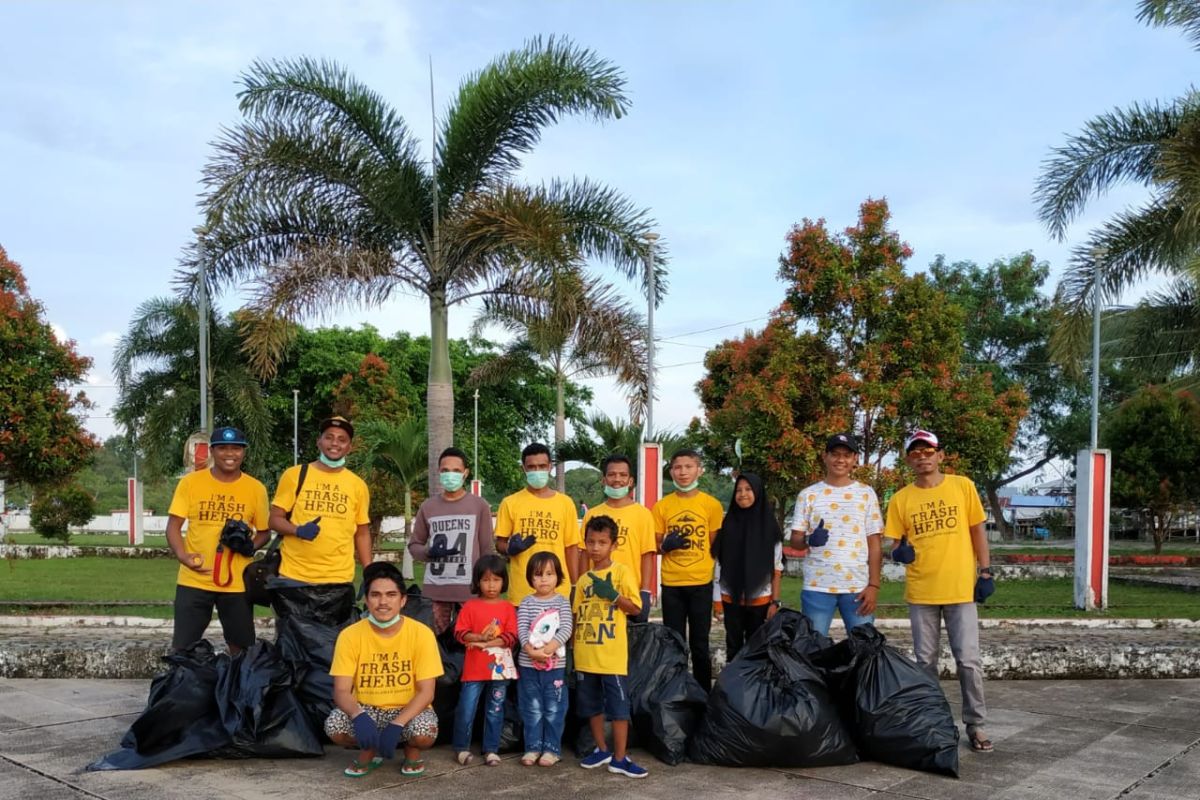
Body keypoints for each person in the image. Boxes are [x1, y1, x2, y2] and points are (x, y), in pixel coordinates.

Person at [885, 429, 995, 754]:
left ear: (940, 455)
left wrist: (985, 572)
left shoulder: (963, 487)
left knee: (969, 661)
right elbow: (896, 543)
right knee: (925, 663)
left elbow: (978, 531)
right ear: (909, 460)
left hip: (960, 589)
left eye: (928, 451)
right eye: (916, 453)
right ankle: (930, 724)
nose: (923, 457)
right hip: (922, 592)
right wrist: (899, 552)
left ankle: (975, 724)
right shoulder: (901, 498)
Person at [326, 561, 443, 778]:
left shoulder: (421, 634)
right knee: (334, 726)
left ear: (403, 600)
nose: (383, 602)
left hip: (407, 708)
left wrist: (397, 724)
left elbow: (427, 691)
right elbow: (341, 690)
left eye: (391, 595)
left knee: (425, 732)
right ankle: (369, 750)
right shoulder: (349, 635)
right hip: (368, 708)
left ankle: (412, 750)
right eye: (375, 595)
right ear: (366, 600)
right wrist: (358, 716)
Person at [165, 425, 270, 655]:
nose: (230, 454)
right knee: (182, 647)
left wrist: (248, 546)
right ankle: (180, 688)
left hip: (236, 583)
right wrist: (183, 556)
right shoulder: (191, 483)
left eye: (236, 449)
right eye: (223, 448)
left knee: (240, 648)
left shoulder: (256, 489)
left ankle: (237, 689)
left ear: (244, 452)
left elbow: (264, 532)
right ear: (212, 451)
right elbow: (173, 526)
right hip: (195, 579)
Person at [267, 416, 372, 612]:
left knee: (334, 640)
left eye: (342, 440)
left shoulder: (357, 485)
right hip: (294, 577)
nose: (335, 443)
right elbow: (274, 519)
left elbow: (362, 532)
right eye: (329, 437)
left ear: (349, 447)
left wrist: (369, 570)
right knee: (291, 640)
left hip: (338, 579)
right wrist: (297, 530)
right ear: (319, 442)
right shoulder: (295, 475)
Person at [574, 515, 647, 778]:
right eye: (591, 542)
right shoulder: (582, 581)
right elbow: (576, 617)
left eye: (602, 542)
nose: (595, 547)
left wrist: (614, 596)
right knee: (591, 706)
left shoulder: (621, 572)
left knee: (618, 708)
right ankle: (602, 749)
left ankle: (620, 757)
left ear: (613, 545)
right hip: (585, 655)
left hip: (611, 657)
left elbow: (637, 608)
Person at [790, 433, 884, 636]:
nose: (840, 460)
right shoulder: (808, 495)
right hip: (818, 586)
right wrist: (808, 540)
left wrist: (874, 585)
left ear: (854, 459)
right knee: (814, 650)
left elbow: (874, 543)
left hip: (857, 588)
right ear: (825, 456)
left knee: (865, 651)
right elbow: (795, 540)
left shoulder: (866, 494)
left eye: (846, 455)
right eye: (835, 454)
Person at [652, 448, 724, 690]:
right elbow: (655, 545)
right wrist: (665, 546)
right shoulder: (662, 506)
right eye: (677, 467)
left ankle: (703, 695)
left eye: (688, 466)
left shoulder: (711, 505)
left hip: (701, 583)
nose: (683, 472)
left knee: (699, 644)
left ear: (699, 470)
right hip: (672, 584)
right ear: (671, 471)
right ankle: (675, 694)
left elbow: (716, 547)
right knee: (674, 644)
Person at [409, 446, 495, 634]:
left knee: (472, 643)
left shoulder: (478, 506)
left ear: (465, 473)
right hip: (436, 591)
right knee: (435, 647)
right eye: (445, 470)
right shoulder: (428, 506)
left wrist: (486, 585)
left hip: (469, 591)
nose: (451, 475)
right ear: (438, 472)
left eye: (456, 471)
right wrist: (428, 552)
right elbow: (414, 545)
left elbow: (487, 549)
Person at [495, 442, 581, 605]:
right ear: (524, 469)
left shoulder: (565, 503)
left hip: (558, 591)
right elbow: (500, 542)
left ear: (550, 467)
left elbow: (571, 548)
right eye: (532, 467)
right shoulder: (510, 503)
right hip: (523, 592)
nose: (537, 471)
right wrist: (509, 549)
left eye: (542, 466)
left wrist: (575, 585)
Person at [452, 554, 517, 767]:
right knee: (466, 708)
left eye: (496, 579)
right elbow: (460, 633)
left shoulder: (508, 608)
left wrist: (488, 643)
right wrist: (480, 637)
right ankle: (461, 747)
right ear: (477, 581)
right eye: (486, 580)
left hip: (499, 670)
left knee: (495, 709)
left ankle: (491, 749)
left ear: (503, 581)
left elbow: (511, 637)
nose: (491, 585)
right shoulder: (470, 606)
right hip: (473, 669)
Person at [579, 454, 657, 623]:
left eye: (623, 475)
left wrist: (645, 592)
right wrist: (584, 584)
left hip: (630, 595)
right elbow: (584, 555)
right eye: (612, 474)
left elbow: (647, 556)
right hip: (597, 591)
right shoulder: (592, 514)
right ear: (604, 480)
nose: (617, 479)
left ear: (630, 481)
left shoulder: (643, 514)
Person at [712, 473, 783, 660]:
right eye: (739, 490)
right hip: (730, 598)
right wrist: (717, 600)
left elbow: (776, 568)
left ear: (758, 492)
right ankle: (733, 688)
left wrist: (775, 602)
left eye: (748, 489)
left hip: (760, 599)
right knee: (733, 647)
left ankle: (755, 688)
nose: (743, 494)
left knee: (757, 649)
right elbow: (719, 563)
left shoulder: (770, 527)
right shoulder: (728, 524)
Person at [516, 551, 574, 767]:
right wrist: (530, 650)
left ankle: (551, 749)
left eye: (549, 574)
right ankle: (532, 747)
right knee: (531, 708)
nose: (544, 579)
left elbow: (567, 627)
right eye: (538, 574)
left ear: (558, 576)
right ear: (530, 578)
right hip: (528, 666)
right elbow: (521, 629)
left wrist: (549, 649)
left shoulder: (561, 602)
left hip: (555, 667)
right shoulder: (527, 602)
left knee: (554, 708)